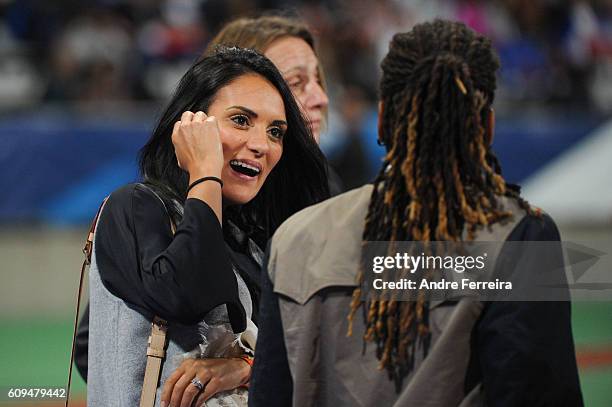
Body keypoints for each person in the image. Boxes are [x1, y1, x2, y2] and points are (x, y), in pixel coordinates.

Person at [250, 20, 583, 406]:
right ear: (487, 125)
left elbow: (269, 395)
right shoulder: (520, 235)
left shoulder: (295, 238)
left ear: (384, 118)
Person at [72, 14, 340, 385]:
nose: (319, 97)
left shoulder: (260, 230)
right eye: (242, 119)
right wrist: (206, 174)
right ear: (193, 121)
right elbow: (190, 299)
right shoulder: (138, 206)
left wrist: (247, 366)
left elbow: (321, 341)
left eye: (276, 130)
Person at [205, 15, 343, 195]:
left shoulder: (323, 181)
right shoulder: (169, 208)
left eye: (317, 79)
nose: (321, 99)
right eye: (295, 83)